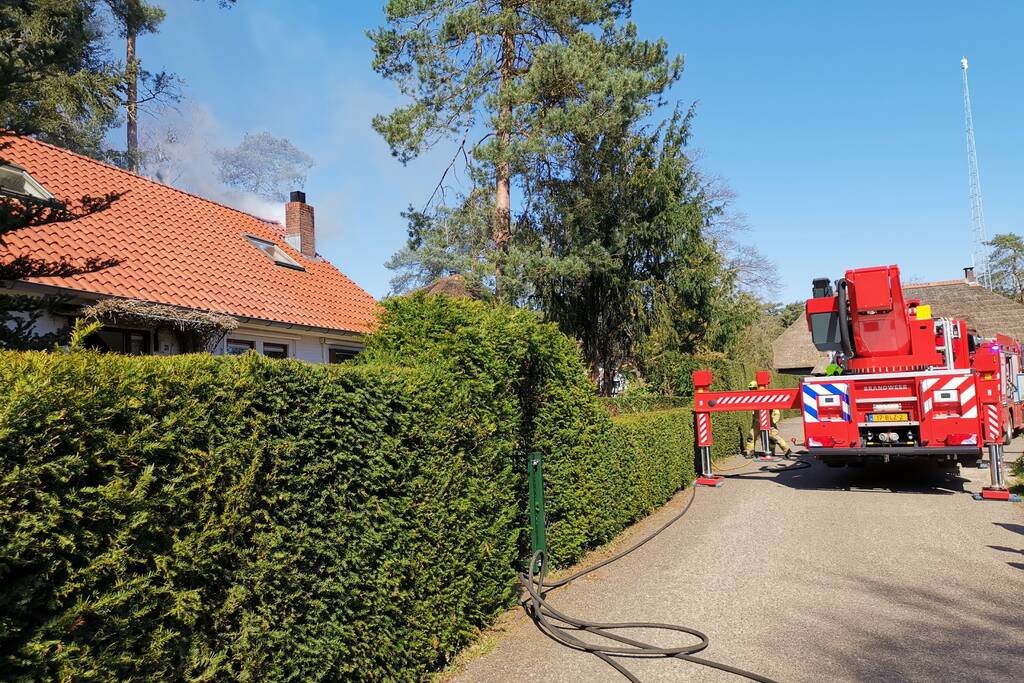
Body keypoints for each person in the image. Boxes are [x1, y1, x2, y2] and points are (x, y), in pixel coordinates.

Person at [743, 380, 792, 456]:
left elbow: (776, 411)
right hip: (757, 422)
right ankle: (750, 452)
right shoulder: (753, 398)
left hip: (769, 421)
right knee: (751, 436)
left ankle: (787, 450)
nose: (751, 391)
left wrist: (773, 421)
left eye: (753, 388)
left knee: (773, 436)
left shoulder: (767, 397)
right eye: (750, 389)